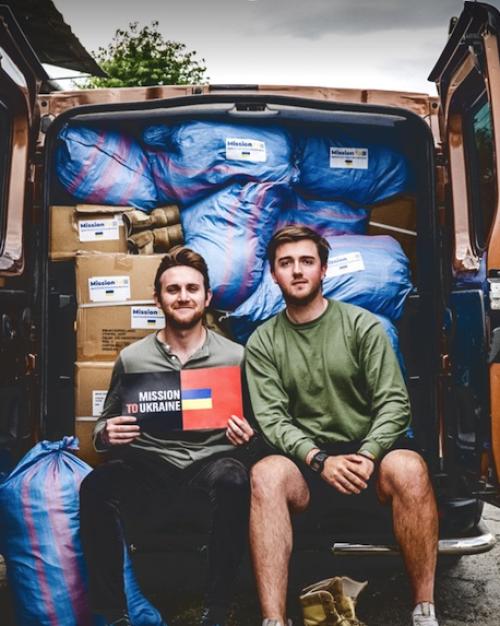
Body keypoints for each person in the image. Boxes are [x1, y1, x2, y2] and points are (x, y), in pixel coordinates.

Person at [245, 226, 439, 626]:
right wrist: (318, 460)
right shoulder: (263, 342)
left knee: (409, 467)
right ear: (274, 274)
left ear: (323, 270)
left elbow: (394, 402)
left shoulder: (363, 325)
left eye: (306, 262)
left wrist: (369, 454)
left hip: (366, 457)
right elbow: (272, 419)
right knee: (265, 474)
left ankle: (424, 610)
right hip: (306, 463)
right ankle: (273, 620)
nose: (297, 271)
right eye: (286, 263)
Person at [80, 246, 255, 626]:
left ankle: (218, 607)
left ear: (207, 297)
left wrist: (248, 436)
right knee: (96, 486)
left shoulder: (236, 357)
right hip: (150, 465)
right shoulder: (133, 358)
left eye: (192, 288)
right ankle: (113, 615)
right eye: (172, 289)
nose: (183, 296)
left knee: (234, 476)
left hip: (211, 463)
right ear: (157, 299)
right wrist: (107, 433)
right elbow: (101, 426)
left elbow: (258, 426)